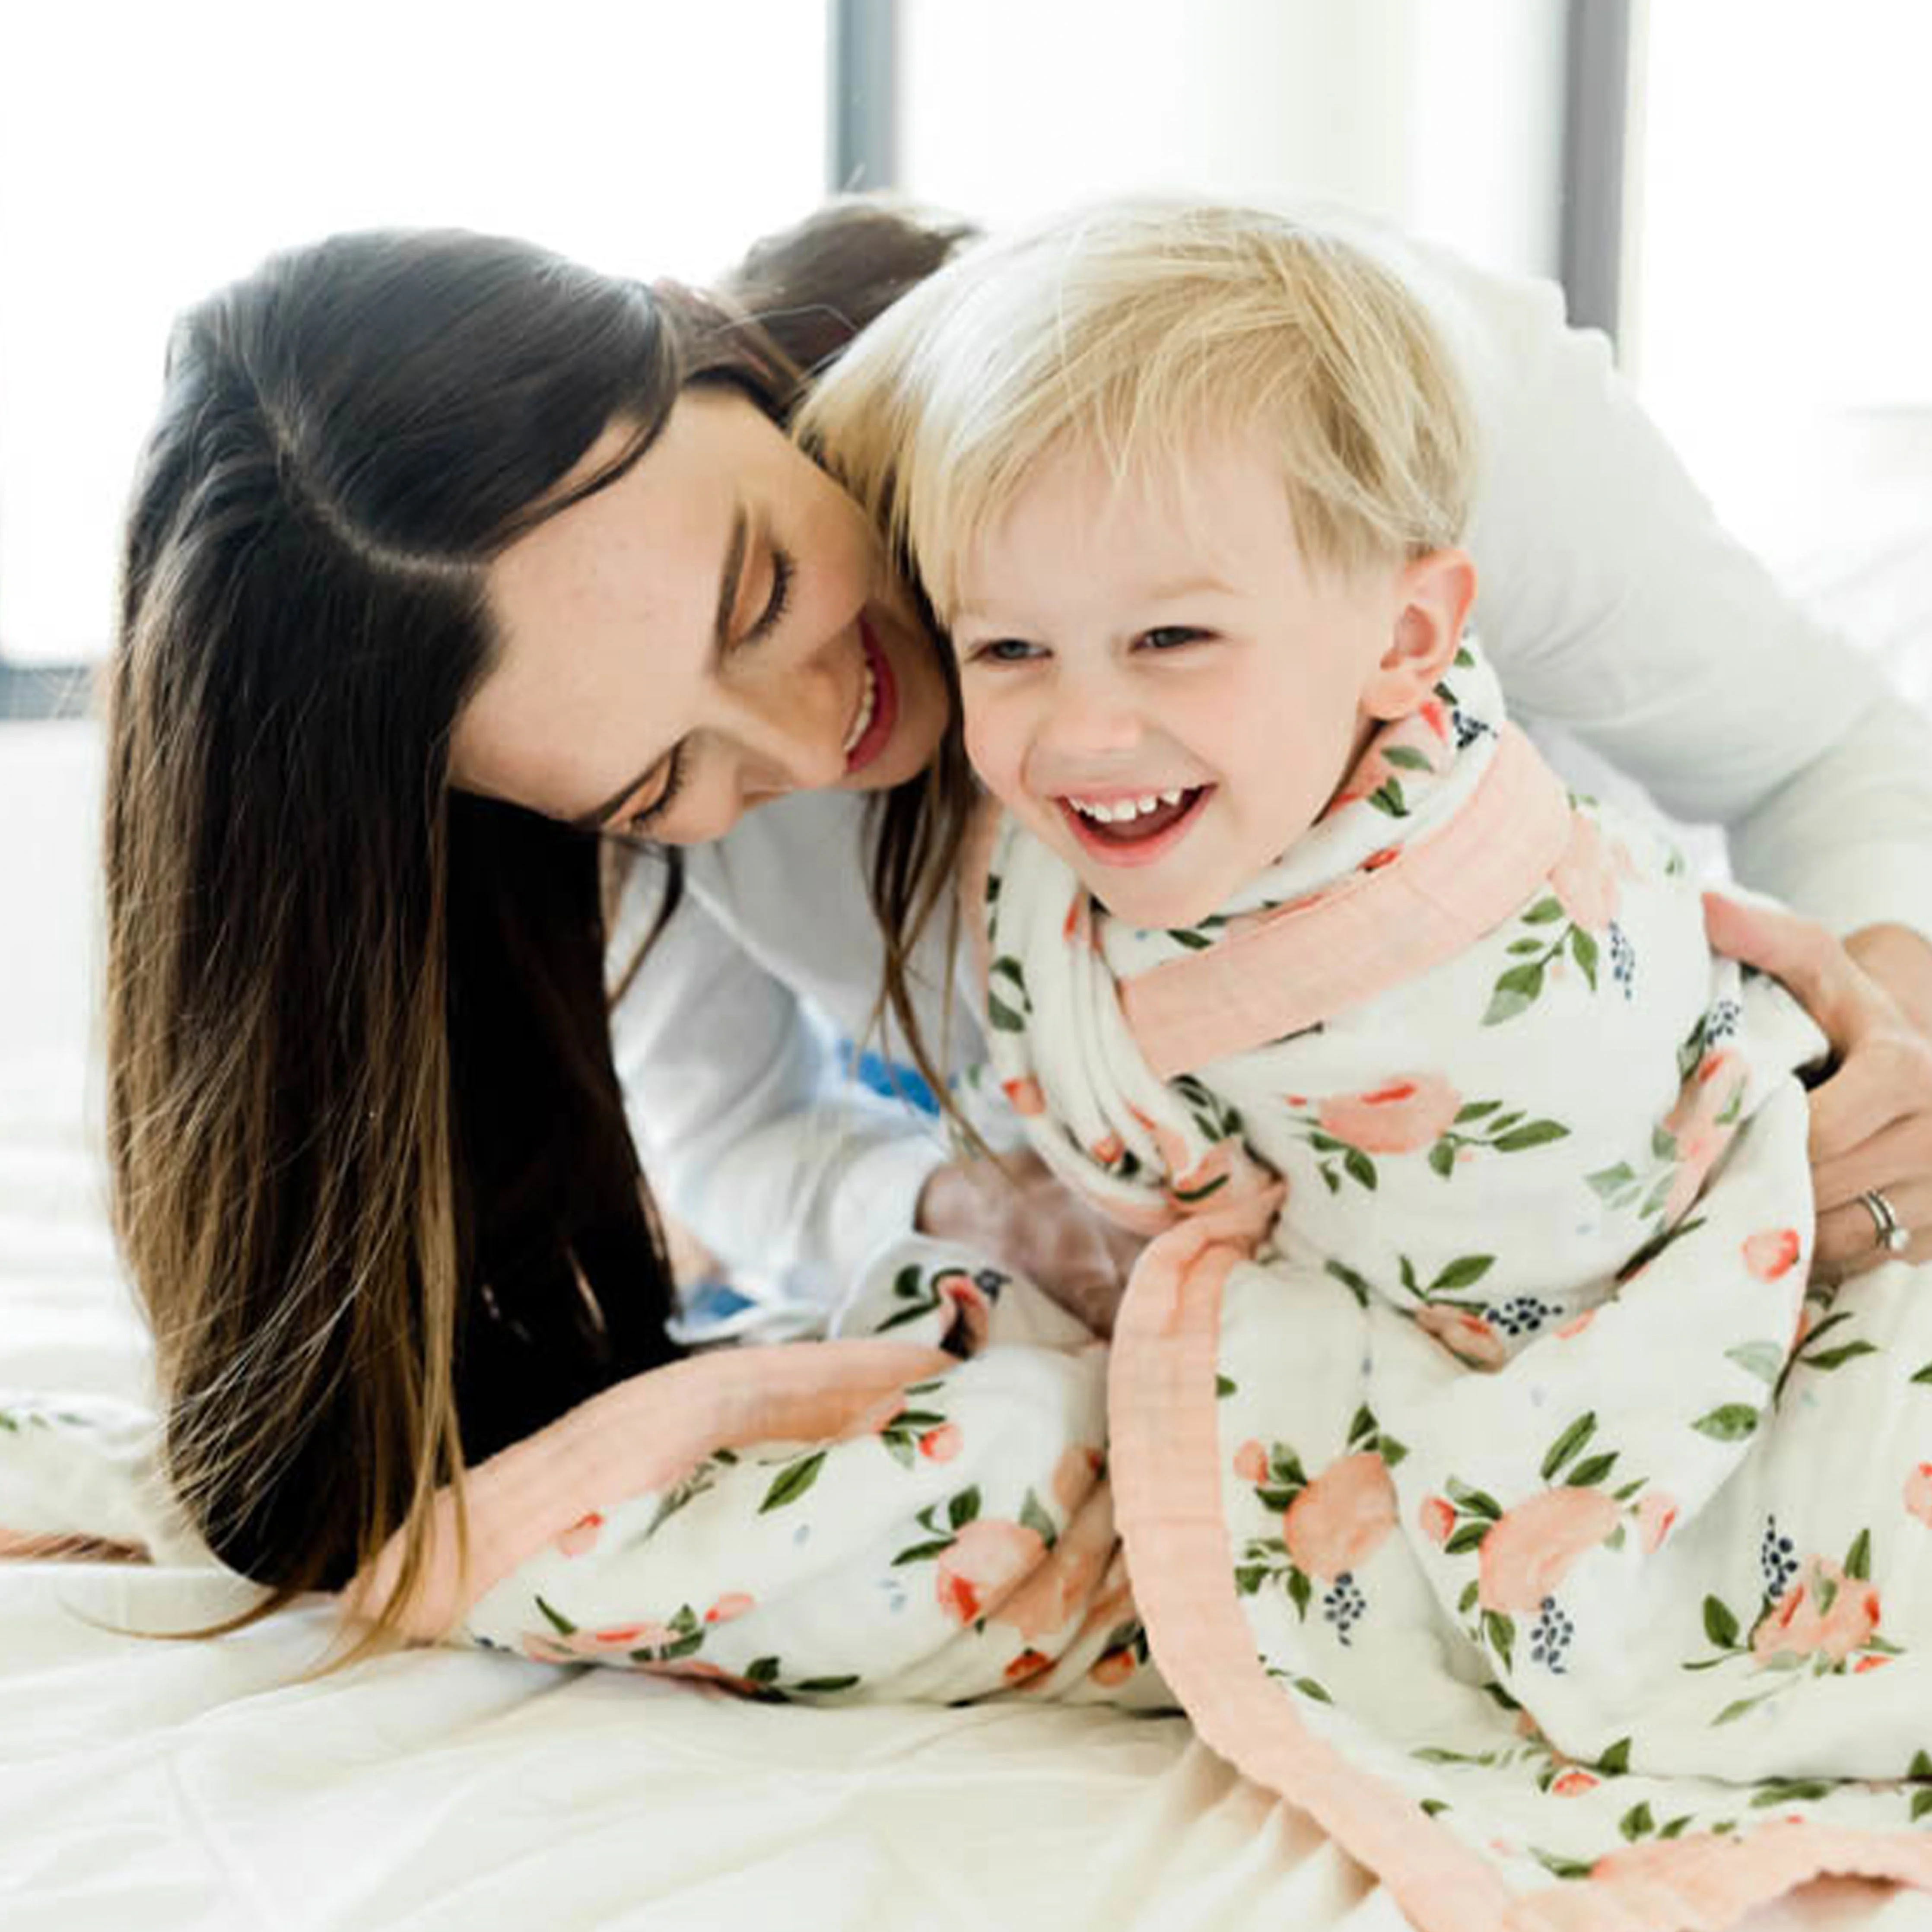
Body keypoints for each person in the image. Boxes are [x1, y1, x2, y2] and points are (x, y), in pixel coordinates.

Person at [101, 199, 1932, 1656]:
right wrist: (975, 1206)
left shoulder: (1357, 386)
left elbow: (1832, 749)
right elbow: (732, 1136)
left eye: (762, 589)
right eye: (653, 781)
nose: (806, 738)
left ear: (722, 363)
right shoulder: (602, 784)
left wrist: (1890, 1022)